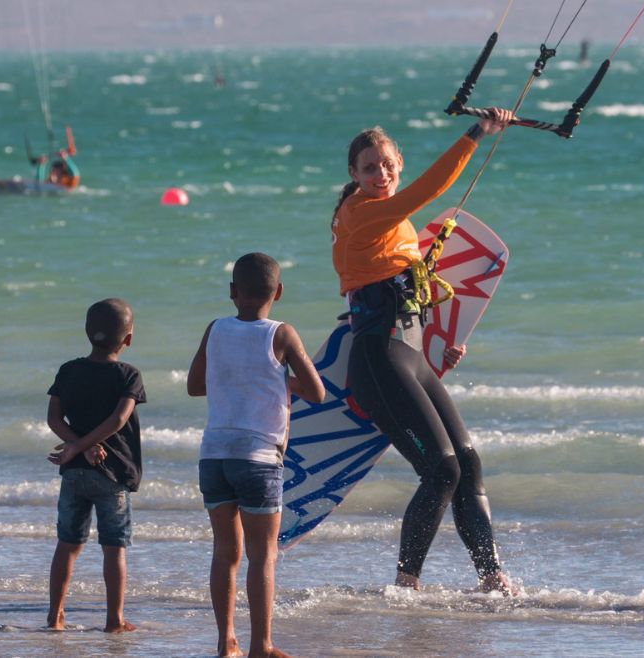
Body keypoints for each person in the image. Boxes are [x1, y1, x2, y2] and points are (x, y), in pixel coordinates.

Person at [330, 107, 517, 594]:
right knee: (442, 469)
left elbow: (413, 299)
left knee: (468, 464)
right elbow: (428, 190)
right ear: (353, 175)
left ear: (398, 163)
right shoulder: (364, 214)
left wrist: (437, 352)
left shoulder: (402, 229)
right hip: (377, 360)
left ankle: (491, 578)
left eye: (388, 165)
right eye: (369, 167)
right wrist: (478, 133)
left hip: (411, 357)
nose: (381, 174)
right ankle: (405, 582)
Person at [187, 252, 325, 658]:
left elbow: (196, 385)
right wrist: (282, 377)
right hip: (259, 457)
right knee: (262, 556)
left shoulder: (215, 329)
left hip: (214, 454)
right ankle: (260, 646)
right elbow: (316, 392)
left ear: (232, 292)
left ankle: (224, 641)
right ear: (278, 292)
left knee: (224, 553)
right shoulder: (282, 334)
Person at [45, 298, 146, 633]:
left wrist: (76, 446)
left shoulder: (68, 370)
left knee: (68, 544)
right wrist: (86, 448)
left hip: (74, 472)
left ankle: (55, 615)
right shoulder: (128, 374)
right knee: (113, 547)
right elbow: (119, 420)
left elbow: (53, 418)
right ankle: (114, 620)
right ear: (128, 339)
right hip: (112, 474)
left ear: (87, 333)